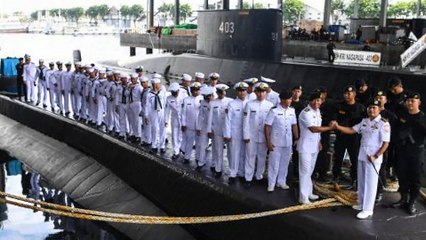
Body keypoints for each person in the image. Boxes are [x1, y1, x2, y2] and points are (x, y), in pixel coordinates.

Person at [331, 99, 390, 219]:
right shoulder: (365, 121)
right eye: (370, 107)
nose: (371, 110)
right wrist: (338, 127)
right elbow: (352, 130)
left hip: (373, 158)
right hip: (362, 155)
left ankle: (368, 209)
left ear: (379, 109)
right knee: (362, 181)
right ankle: (361, 203)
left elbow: (385, 143)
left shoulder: (383, 124)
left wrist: (376, 156)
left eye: (374, 107)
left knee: (370, 183)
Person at [391, 92, 426, 215]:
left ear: (419, 103)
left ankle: (412, 202)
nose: (410, 103)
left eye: (413, 101)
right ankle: (403, 199)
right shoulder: (402, 116)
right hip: (402, 151)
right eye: (408, 101)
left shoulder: (423, 118)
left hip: (416, 152)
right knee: (402, 175)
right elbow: (394, 131)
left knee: (415, 178)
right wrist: (399, 138)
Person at [297, 92, 333, 204]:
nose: (318, 102)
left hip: (314, 147)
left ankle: (308, 192)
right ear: (310, 101)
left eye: (320, 100)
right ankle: (303, 197)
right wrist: (329, 128)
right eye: (316, 100)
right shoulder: (305, 113)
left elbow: (317, 133)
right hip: (305, 147)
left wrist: (319, 141)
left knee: (310, 171)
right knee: (304, 171)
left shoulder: (317, 112)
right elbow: (313, 129)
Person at [264, 90, 298, 192]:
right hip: (276, 142)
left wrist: (297, 137)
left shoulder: (292, 111)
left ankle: (281, 181)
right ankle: (271, 184)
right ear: (282, 100)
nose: (291, 101)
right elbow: (267, 127)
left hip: (287, 142)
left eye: (291, 99)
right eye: (289, 99)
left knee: (285, 163)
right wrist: (268, 142)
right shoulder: (273, 111)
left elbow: (294, 125)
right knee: (274, 163)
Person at [332, 86, 365, 188]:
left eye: (349, 94)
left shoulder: (360, 108)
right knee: (338, 156)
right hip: (341, 135)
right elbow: (334, 119)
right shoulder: (339, 106)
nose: (346, 95)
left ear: (354, 94)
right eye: (345, 94)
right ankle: (336, 176)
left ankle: (354, 178)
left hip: (354, 137)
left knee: (354, 158)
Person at [243, 82, 274, 188]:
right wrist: (246, 135)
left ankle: (259, 175)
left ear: (266, 93)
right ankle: (248, 177)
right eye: (259, 92)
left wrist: (270, 138)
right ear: (255, 92)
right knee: (250, 156)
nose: (261, 94)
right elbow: (246, 121)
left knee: (262, 157)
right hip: (251, 135)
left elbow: (271, 124)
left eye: (263, 92)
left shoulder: (270, 105)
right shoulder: (249, 104)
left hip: (264, 137)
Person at [224, 82, 249, 184]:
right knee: (234, 153)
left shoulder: (250, 103)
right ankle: (233, 173)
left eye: (244, 90)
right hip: (235, 133)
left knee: (244, 153)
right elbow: (227, 120)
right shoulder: (232, 104)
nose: (242, 93)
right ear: (237, 92)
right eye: (240, 91)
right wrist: (227, 134)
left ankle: (242, 173)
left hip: (246, 134)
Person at [207, 84, 232, 177]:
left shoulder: (230, 102)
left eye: (223, 92)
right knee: (218, 150)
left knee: (230, 151)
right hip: (216, 129)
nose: (222, 94)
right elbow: (210, 118)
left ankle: (232, 170)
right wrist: (209, 130)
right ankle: (218, 169)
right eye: (220, 92)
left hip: (228, 131)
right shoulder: (212, 103)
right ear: (217, 93)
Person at [181, 82, 203, 164]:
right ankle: (187, 157)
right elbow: (183, 113)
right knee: (189, 142)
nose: (195, 92)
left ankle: (198, 158)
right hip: (189, 125)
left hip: (200, 126)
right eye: (194, 90)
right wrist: (183, 124)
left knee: (199, 143)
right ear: (191, 90)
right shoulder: (186, 100)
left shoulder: (203, 100)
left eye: (197, 90)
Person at [165, 82, 183, 160]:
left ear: (178, 91)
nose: (174, 94)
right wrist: (166, 120)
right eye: (173, 92)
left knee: (181, 134)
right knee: (174, 135)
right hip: (174, 118)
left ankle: (181, 148)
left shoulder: (184, 96)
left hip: (183, 118)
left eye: (176, 92)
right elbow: (167, 110)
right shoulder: (169, 98)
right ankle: (176, 151)